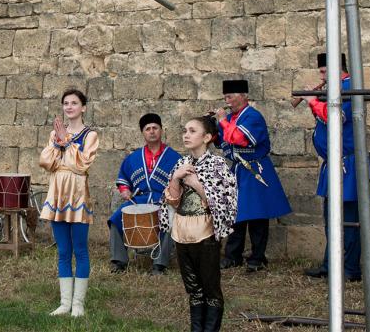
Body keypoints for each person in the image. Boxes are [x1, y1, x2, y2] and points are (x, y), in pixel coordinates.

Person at [292, 53, 369, 282]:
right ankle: (330, 264)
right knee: (331, 216)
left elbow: (336, 116)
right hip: (332, 162)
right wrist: (314, 99)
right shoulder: (333, 89)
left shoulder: (349, 87)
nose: (321, 76)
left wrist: (313, 100)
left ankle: (350, 268)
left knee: (349, 216)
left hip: (348, 162)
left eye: (324, 72)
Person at [162, 114, 238, 332]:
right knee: (193, 288)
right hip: (182, 231)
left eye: (192, 131)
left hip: (205, 234)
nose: (186, 135)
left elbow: (225, 202)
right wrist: (176, 178)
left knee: (210, 289)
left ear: (207, 137)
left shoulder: (218, 165)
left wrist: (197, 184)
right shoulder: (181, 162)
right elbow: (172, 201)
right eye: (185, 130)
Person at [215, 78, 291, 271]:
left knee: (257, 215)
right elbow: (222, 140)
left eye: (230, 96)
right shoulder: (232, 117)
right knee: (236, 214)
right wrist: (213, 126)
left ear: (243, 96)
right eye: (226, 97)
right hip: (239, 169)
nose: (228, 100)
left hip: (255, 169)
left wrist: (223, 121)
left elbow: (239, 139)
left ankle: (257, 258)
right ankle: (233, 256)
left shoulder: (253, 116)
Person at [39, 88, 99, 318]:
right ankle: (65, 303)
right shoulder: (54, 134)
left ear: (83, 107)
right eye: (66, 103)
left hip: (77, 193)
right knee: (63, 251)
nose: (69, 107)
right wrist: (58, 142)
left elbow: (82, 164)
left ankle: (78, 304)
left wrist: (67, 142)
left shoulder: (90, 135)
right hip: (57, 191)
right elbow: (46, 162)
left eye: (74, 103)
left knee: (80, 250)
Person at [109, 112, 182, 274]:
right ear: (143, 133)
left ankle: (159, 265)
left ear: (161, 130)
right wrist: (125, 190)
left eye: (155, 128)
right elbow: (123, 179)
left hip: (163, 200)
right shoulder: (133, 157)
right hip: (138, 200)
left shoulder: (175, 157)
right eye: (147, 129)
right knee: (115, 219)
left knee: (169, 221)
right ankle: (119, 261)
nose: (151, 131)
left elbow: (182, 183)